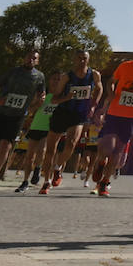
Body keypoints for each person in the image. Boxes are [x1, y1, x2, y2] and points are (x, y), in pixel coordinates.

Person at [90, 40, 133, 196]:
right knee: (107, 148)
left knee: (118, 152)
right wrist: (111, 92)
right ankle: (101, 163)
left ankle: (104, 184)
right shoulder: (124, 66)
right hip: (115, 113)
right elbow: (111, 82)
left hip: (132, 117)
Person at [0, 49, 46, 193]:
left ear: (37, 61)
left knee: (6, 145)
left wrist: (32, 107)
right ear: (24, 58)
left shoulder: (39, 76)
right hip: (1, 112)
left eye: (34, 58)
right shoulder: (13, 72)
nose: (31, 60)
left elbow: (41, 95)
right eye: (29, 57)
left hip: (18, 116)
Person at [39, 50, 102, 195]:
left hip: (79, 114)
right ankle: (46, 182)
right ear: (74, 60)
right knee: (50, 150)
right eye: (79, 58)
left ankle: (57, 168)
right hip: (62, 112)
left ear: (88, 60)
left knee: (72, 143)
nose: (82, 61)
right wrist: (67, 98)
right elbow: (55, 99)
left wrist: (93, 104)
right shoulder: (67, 77)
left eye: (84, 58)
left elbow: (99, 89)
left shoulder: (94, 75)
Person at [17, 85, 59, 192]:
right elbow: (30, 110)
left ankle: (37, 169)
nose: (56, 82)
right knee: (29, 155)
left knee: (42, 151)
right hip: (36, 126)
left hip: (49, 128)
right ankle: (25, 181)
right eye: (54, 79)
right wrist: (37, 103)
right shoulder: (43, 96)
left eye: (59, 80)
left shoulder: (62, 98)